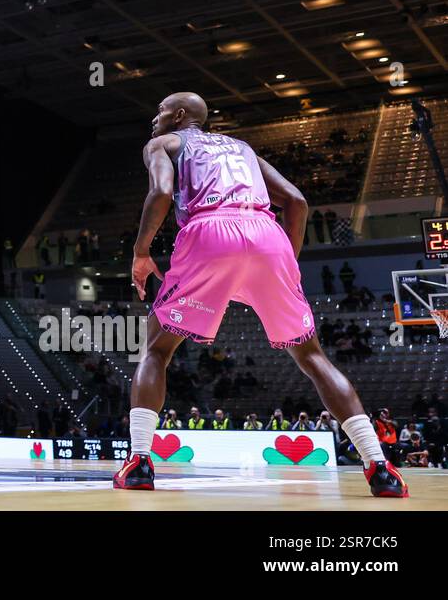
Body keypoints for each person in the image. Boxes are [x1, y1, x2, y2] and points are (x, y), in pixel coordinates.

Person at [114, 92, 408, 497]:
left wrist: (141, 251)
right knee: (312, 356)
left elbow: (162, 192)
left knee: (157, 350)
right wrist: (285, 262)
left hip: (210, 232)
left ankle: (139, 463)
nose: (154, 118)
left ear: (179, 116)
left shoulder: (162, 144)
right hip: (268, 236)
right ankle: (379, 466)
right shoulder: (243, 148)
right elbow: (297, 201)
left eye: (160, 110)